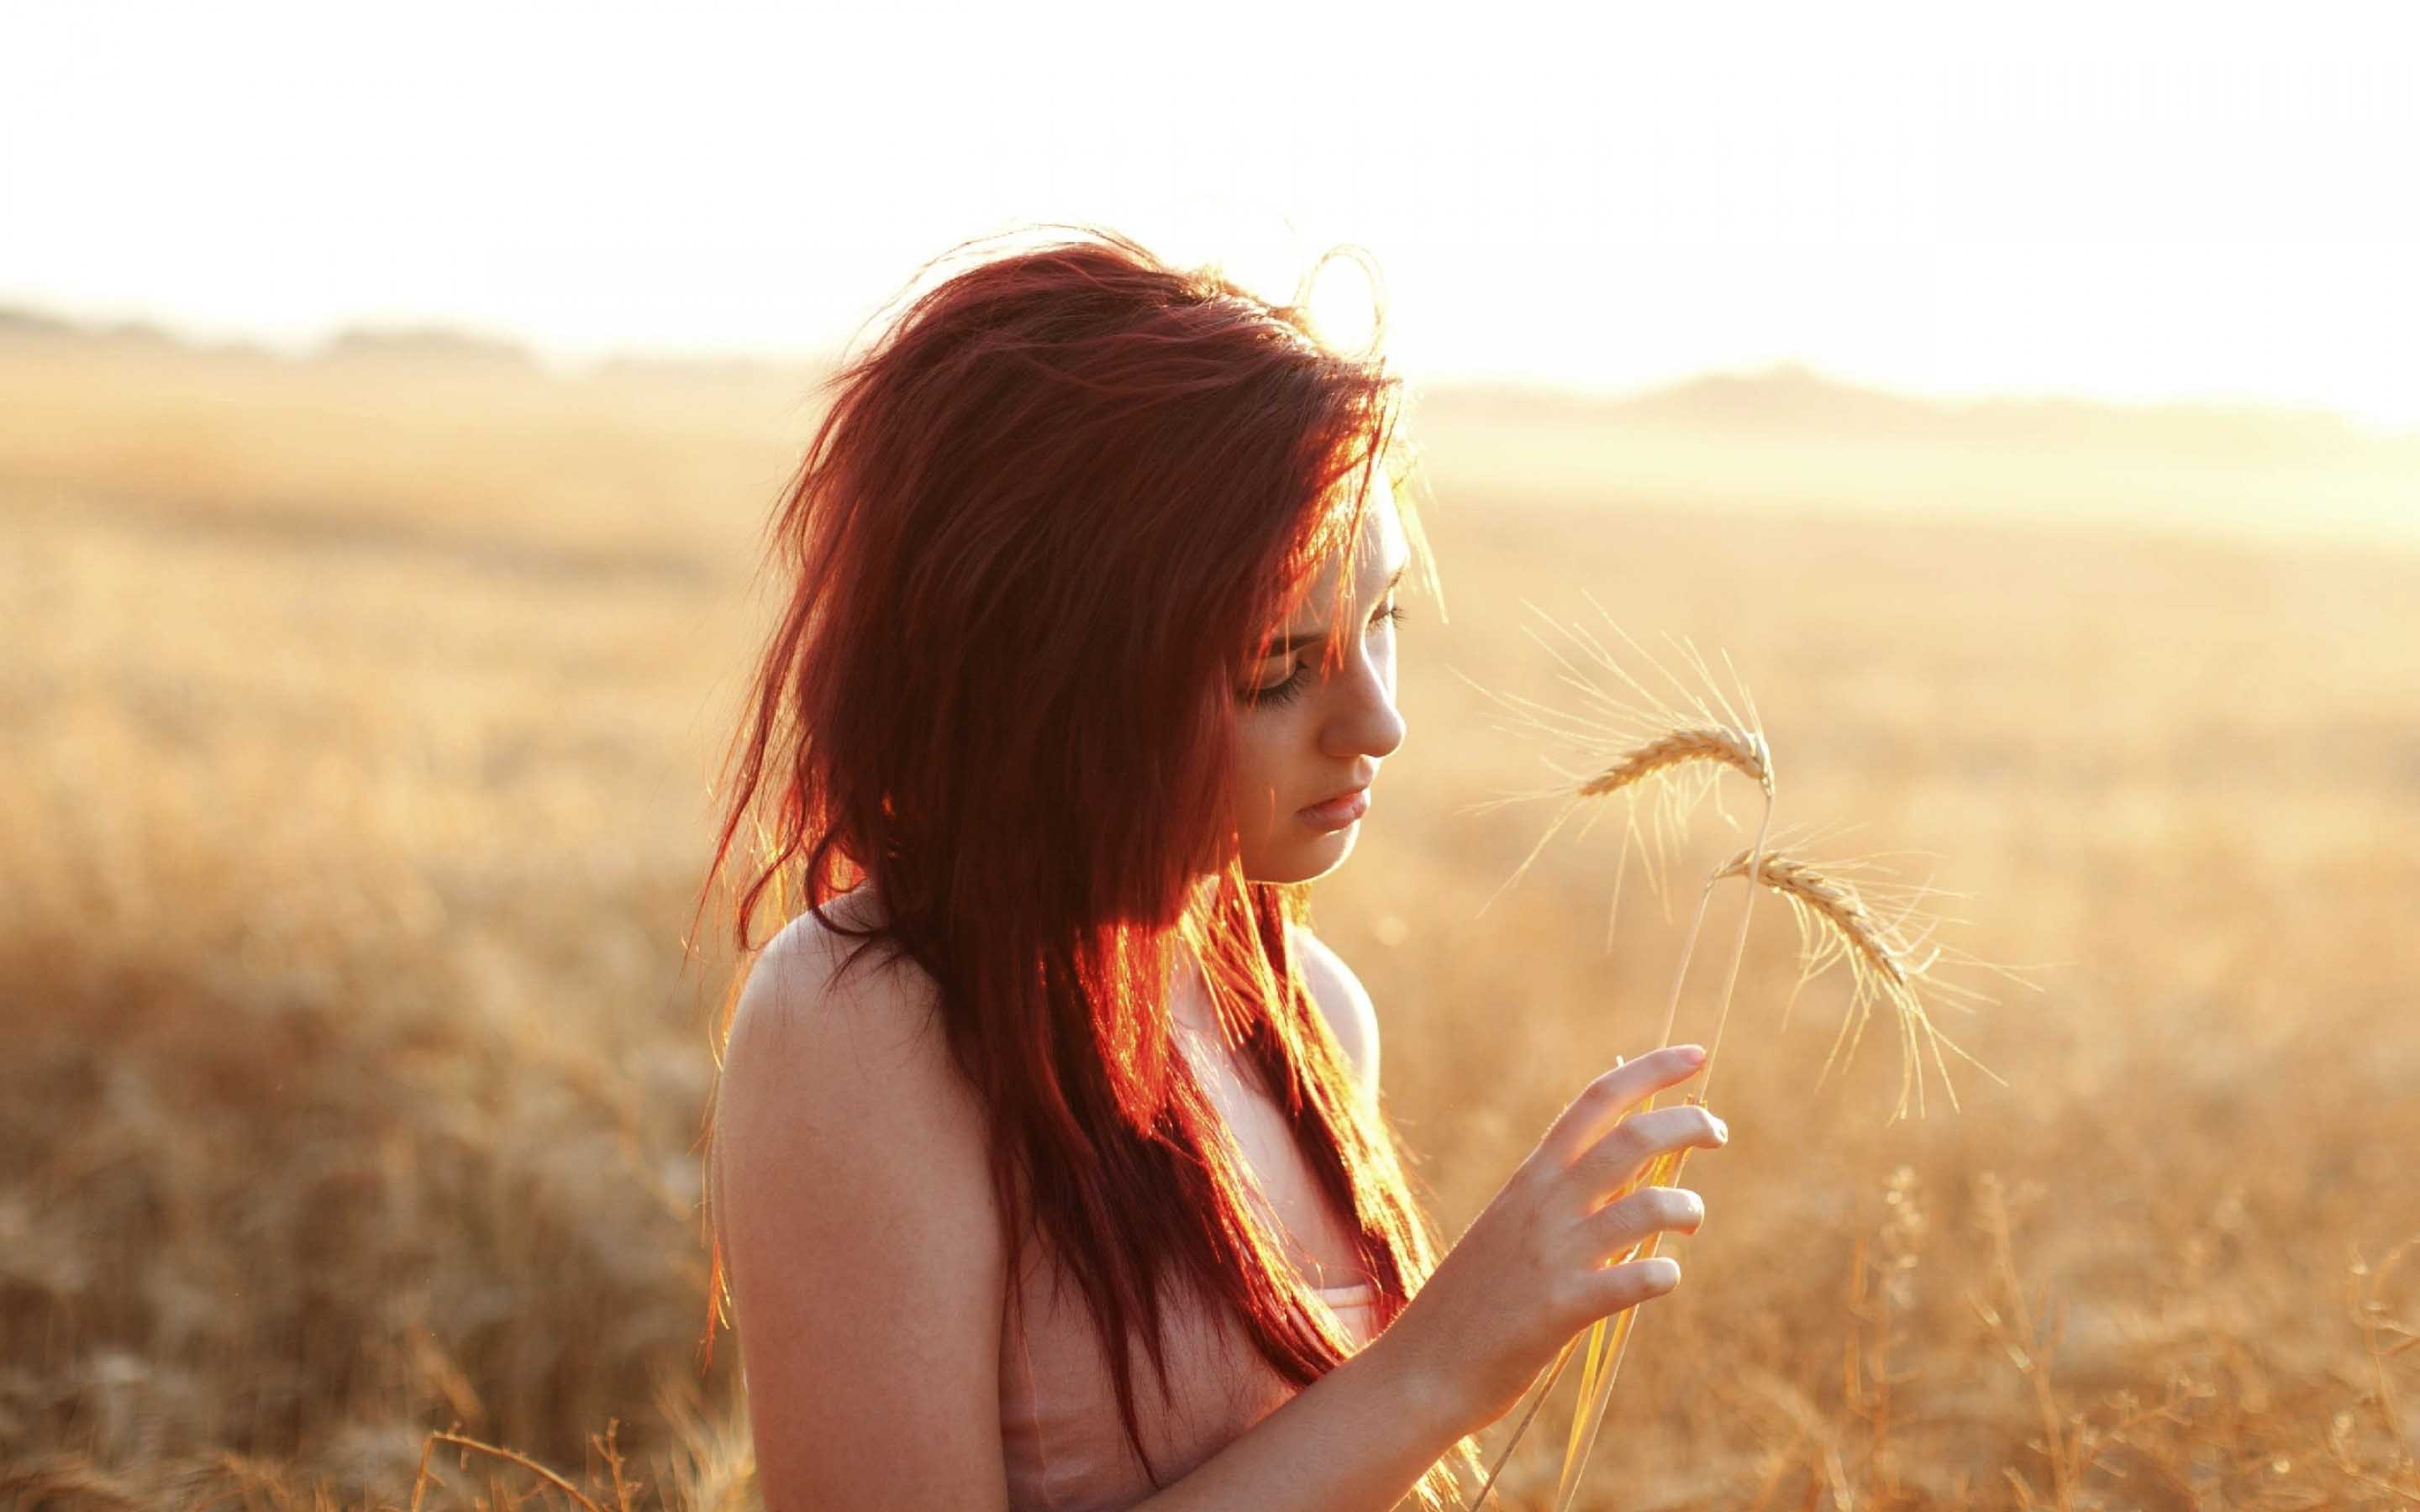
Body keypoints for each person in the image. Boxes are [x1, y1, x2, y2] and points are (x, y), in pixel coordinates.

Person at [694, 223, 1727, 1511]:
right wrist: (1437, 1370)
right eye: (1278, 668)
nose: (1379, 722)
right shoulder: (866, 1028)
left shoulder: (1308, 1017)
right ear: (1058, 679)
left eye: (1383, 623)